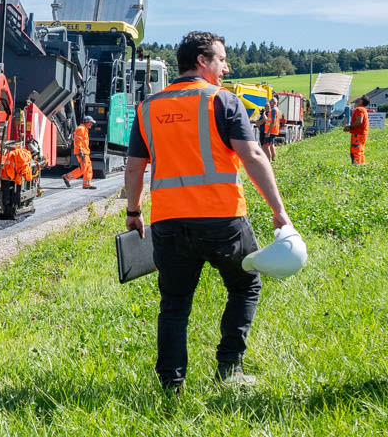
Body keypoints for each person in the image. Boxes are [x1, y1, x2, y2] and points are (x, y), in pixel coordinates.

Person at [123, 32, 293, 391]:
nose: (225, 66)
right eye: (221, 59)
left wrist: (134, 211)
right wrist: (278, 210)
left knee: (174, 303)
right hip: (222, 218)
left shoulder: (147, 108)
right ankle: (229, 368)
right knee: (245, 284)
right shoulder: (223, 101)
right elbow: (254, 156)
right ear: (202, 61)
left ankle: (171, 382)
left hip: (167, 221)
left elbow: (135, 168)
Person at [65, 119, 94, 186]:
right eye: (90, 123)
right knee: (84, 168)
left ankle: (86, 184)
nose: (91, 124)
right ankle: (67, 177)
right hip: (82, 152)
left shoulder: (84, 129)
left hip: (85, 152)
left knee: (88, 168)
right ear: (87, 122)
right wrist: (80, 151)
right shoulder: (81, 129)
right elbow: (78, 141)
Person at [348, 96, 371, 164]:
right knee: (360, 150)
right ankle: (362, 165)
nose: (357, 99)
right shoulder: (363, 109)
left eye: (359, 98)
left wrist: (350, 127)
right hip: (363, 134)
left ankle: (356, 166)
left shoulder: (359, 109)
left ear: (362, 101)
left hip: (358, 134)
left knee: (356, 150)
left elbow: (359, 121)